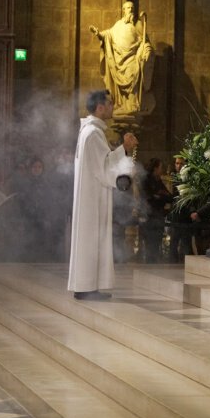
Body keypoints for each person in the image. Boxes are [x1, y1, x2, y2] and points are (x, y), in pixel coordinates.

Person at [67, 90, 137, 300]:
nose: (112, 107)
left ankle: (87, 286)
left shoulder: (89, 132)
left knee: (91, 240)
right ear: (99, 107)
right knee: (91, 239)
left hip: (91, 196)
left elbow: (102, 162)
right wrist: (124, 149)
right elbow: (104, 167)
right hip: (92, 200)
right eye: (110, 104)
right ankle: (86, 287)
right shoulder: (93, 133)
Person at [91, 1, 154, 117]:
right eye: (128, 8)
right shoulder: (118, 25)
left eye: (132, 8)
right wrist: (98, 34)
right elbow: (108, 34)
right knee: (122, 86)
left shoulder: (138, 25)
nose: (131, 10)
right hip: (119, 61)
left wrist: (147, 51)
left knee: (133, 79)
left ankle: (132, 106)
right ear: (123, 10)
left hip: (133, 60)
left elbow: (146, 43)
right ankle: (122, 105)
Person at [140, 158, 169, 262]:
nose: (162, 170)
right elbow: (148, 197)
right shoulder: (146, 180)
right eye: (160, 168)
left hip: (158, 215)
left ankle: (154, 263)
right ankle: (150, 264)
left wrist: (159, 196)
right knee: (150, 244)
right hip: (150, 216)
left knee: (156, 243)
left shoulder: (158, 180)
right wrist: (158, 196)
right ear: (155, 168)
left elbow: (168, 196)